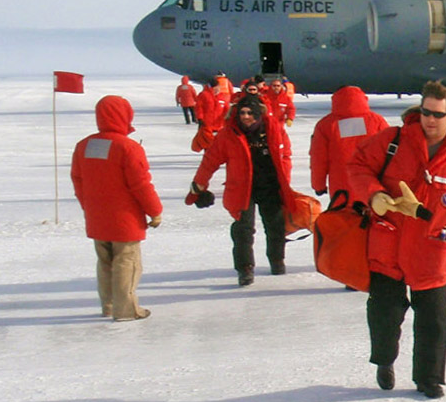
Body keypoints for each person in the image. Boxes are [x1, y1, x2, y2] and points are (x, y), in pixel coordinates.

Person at [348, 81, 446, 398]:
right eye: (426, 112)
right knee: (385, 314)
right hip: (387, 243)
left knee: (434, 319)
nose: (429, 119)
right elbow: (357, 166)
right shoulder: (392, 141)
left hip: (431, 247)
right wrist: (373, 195)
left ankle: (429, 378)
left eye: (437, 114)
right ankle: (385, 361)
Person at [70, 95, 163, 321]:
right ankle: (126, 310)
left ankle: (109, 305)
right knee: (127, 262)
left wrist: (88, 206)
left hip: (97, 216)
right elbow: (141, 185)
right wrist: (155, 210)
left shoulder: (84, 146)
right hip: (124, 218)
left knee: (105, 262)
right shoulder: (128, 148)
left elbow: (78, 180)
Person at [185, 93, 294, 285]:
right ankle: (245, 269)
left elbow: (285, 155)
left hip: (270, 186)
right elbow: (209, 161)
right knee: (243, 230)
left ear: (258, 114)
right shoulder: (229, 134)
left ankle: (277, 261)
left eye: (250, 113)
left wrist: (285, 177)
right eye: (242, 113)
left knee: (276, 227)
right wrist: (198, 187)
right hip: (242, 189)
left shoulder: (274, 129)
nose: (245, 116)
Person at [309, 86, 388, 203]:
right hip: (373, 186)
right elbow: (391, 153)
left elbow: (318, 159)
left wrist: (318, 185)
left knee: (344, 220)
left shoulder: (325, 125)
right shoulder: (377, 121)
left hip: (341, 189)